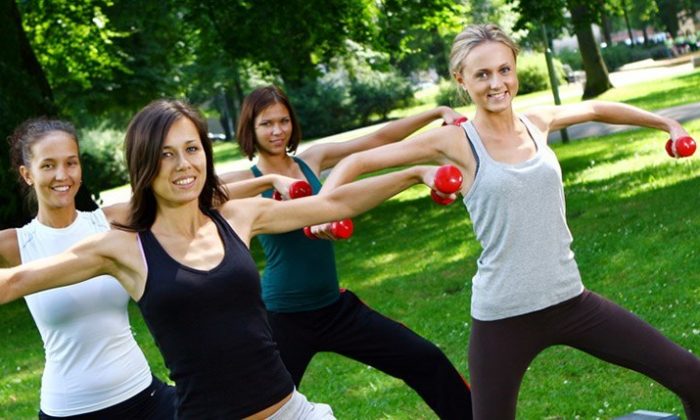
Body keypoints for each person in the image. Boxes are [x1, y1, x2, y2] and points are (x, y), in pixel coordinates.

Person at [319, 23, 700, 419]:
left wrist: (667, 124)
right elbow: (359, 161)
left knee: (692, 377)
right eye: (482, 74)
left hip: (570, 300)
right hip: (503, 317)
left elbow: (596, 108)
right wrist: (324, 210)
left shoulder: (536, 124)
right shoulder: (454, 141)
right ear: (461, 80)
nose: (496, 83)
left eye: (504, 70)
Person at [0, 99, 445, 419]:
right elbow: (15, 282)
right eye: (165, 155)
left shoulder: (236, 216)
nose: (182, 166)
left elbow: (335, 204)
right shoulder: (124, 247)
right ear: (144, 165)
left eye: (192, 150)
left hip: (292, 412)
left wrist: (412, 173)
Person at [219, 85, 472, 418]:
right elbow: (196, 196)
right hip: (282, 318)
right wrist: (266, 183)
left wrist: (437, 112)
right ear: (250, 128)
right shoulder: (245, 179)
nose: (277, 131)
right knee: (259, 408)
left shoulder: (313, 160)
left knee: (424, 359)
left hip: (335, 308)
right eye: (266, 123)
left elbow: (377, 141)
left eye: (284, 121)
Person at [0, 118, 176, 419]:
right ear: (27, 174)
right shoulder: (15, 244)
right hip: (69, 410)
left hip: (144, 397)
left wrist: (268, 181)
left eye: (71, 163)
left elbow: (193, 199)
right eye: (48, 165)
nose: (62, 175)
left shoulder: (110, 222)